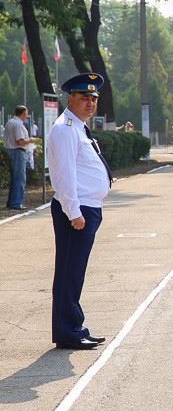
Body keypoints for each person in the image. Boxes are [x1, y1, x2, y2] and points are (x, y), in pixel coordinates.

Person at [48, 73, 112, 350]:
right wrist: (73, 212)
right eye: (84, 98)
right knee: (69, 272)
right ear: (70, 99)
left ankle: (74, 326)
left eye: (93, 99)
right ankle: (68, 332)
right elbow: (64, 175)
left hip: (87, 207)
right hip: (76, 211)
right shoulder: (65, 129)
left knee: (75, 272)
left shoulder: (78, 127)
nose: (90, 103)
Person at [5, 105, 38, 210]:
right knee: (20, 179)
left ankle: (11, 202)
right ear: (23, 113)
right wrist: (30, 140)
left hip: (11, 151)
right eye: (26, 113)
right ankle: (16, 203)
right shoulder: (18, 125)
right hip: (18, 152)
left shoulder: (10, 122)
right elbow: (20, 141)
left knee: (15, 178)